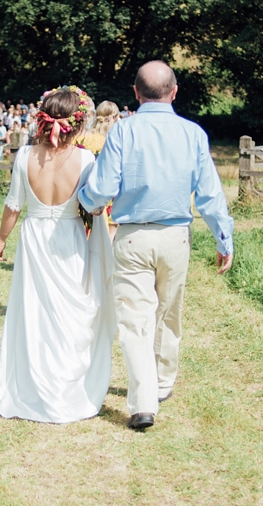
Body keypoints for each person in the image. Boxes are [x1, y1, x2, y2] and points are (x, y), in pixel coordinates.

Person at [79, 61, 235, 431]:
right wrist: (223, 237)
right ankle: (162, 384)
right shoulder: (194, 134)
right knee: (168, 313)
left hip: (133, 235)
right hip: (176, 237)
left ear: (136, 93)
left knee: (134, 320)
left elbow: (101, 189)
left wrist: (81, 201)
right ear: (175, 92)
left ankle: (143, 402)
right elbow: (210, 193)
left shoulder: (122, 132)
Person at [0, 86, 113, 423]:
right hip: (70, 236)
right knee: (70, 309)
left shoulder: (24, 156)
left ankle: (34, 382)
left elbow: (14, 206)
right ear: (76, 124)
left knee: (34, 310)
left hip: (34, 237)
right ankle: (67, 384)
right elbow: (94, 204)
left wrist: (1, 240)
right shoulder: (87, 160)